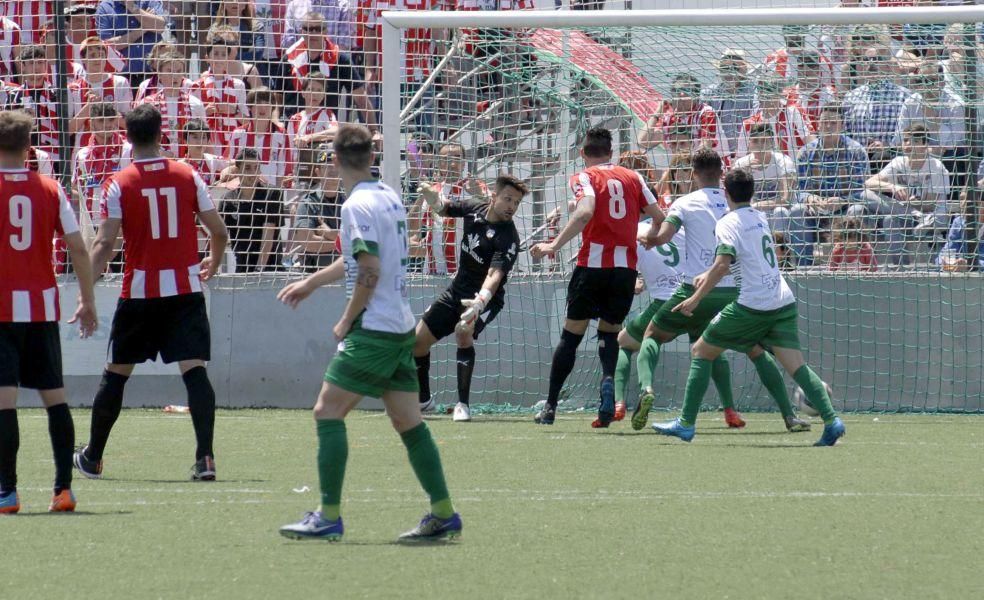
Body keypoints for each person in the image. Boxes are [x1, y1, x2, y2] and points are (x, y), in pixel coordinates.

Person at [277, 123, 461, 542]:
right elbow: (361, 260)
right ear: (372, 158)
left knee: (327, 412)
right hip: (399, 327)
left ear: (336, 160)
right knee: (408, 423)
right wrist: (311, 282)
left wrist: (346, 319)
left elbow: (370, 270)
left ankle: (328, 515)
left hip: (374, 329)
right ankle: (444, 512)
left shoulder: (354, 206)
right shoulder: (389, 196)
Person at [73, 104, 229, 481]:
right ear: (162, 135)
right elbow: (219, 231)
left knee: (116, 375)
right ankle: (205, 458)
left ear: (126, 136)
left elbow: (105, 244)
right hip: (185, 290)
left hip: (140, 294)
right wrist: (214, 259)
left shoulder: (118, 183)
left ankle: (93, 457)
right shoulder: (188, 174)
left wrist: (86, 295)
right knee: (195, 371)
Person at [652, 168, 846, 447]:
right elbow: (742, 261)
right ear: (751, 193)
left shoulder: (727, 223)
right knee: (796, 366)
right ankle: (832, 421)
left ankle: (685, 424)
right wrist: (707, 274)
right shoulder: (760, 217)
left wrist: (695, 298)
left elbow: (722, 265)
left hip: (753, 304)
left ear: (726, 193)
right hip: (782, 299)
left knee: (701, 350)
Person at [634, 148, 810, 434]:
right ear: (722, 173)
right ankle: (786, 415)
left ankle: (648, 389)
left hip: (699, 287)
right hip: (736, 290)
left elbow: (664, 236)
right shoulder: (737, 207)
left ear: (693, 173)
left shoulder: (685, 202)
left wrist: (648, 239)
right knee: (754, 350)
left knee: (652, 335)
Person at [530, 127, 663, 428]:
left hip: (592, 266)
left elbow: (586, 210)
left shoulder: (584, 177)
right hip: (624, 271)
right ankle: (607, 385)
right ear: (611, 152)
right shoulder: (634, 177)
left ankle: (550, 406)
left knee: (571, 336)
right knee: (609, 333)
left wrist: (553, 245)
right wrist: (652, 239)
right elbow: (660, 218)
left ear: (583, 153)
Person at [0, 109, 98, 514]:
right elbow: (77, 246)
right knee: (55, 398)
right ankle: (63, 490)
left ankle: (7, 492)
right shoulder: (51, 189)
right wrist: (87, 299)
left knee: (4, 402)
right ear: (29, 148)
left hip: (2, 310)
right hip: (40, 307)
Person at [413, 174, 527, 422]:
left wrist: (480, 302)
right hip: (456, 291)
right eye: (508, 199)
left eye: (516, 203)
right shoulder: (474, 206)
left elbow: (494, 275)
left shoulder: (508, 237)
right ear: (493, 196)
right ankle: (423, 400)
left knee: (463, 332)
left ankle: (462, 404)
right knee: (417, 343)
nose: (511, 206)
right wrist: (433, 199)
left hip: (487, 298)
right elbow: (445, 209)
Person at [612, 221, 685, 422]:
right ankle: (729, 409)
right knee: (707, 348)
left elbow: (625, 266)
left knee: (624, 342)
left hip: (665, 302)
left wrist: (635, 280)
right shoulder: (676, 227)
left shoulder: (631, 230)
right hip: (695, 298)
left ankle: (620, 402)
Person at [218, 148, 284, 272]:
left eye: (256, 168)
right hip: (242, 268)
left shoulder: (272, 194)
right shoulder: (228, 199)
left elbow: (268, 237)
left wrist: (258, 270)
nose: (253, 173)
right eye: (247, 168)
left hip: (269, 269)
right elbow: (220, 235)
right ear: (238, 171)